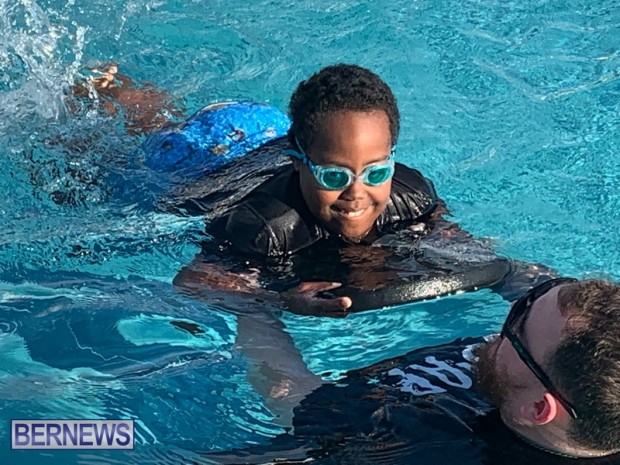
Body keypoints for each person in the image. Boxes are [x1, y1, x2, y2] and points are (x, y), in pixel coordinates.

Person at [205, 278, 620, 464]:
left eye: (515, 327)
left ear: (539, 409)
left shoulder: (410, 440)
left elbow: (286, 390)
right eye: (529, 299)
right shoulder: (585, 382)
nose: (502, 327)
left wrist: (250, 302)